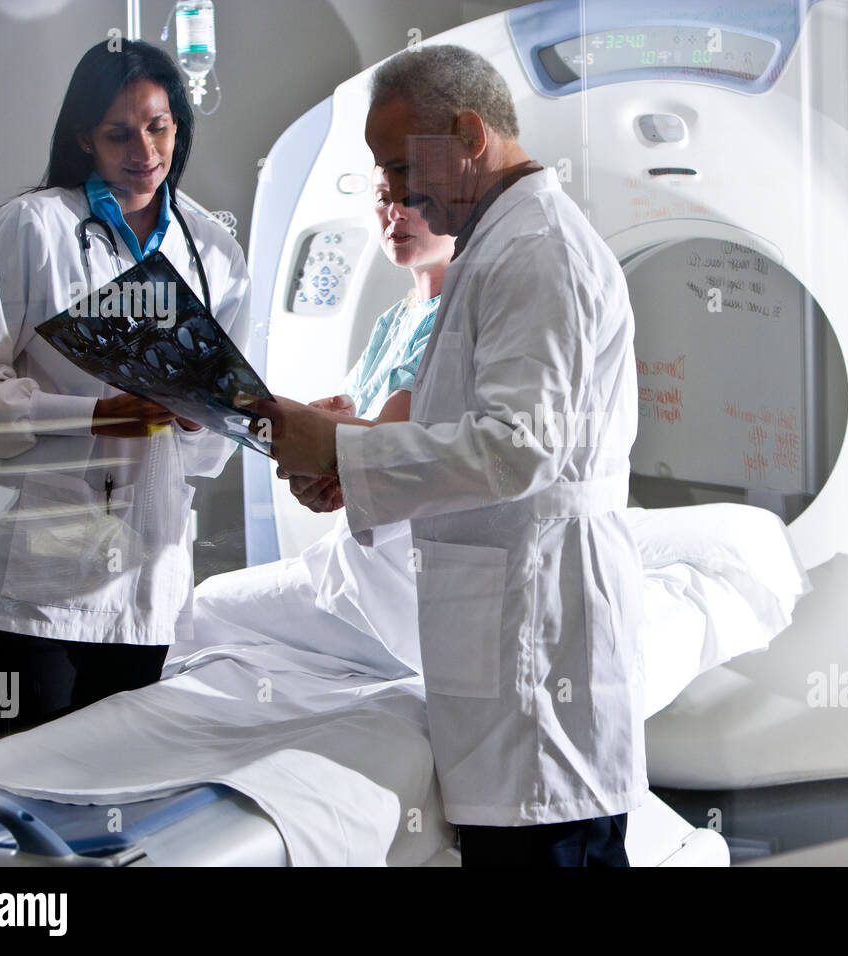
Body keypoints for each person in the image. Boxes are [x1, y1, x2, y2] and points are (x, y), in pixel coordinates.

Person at [250, 45, 646, 867]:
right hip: (500, 626)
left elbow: (520, 448)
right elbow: (457, 426)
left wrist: (343, 452)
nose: (394, 192)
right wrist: (348, 455)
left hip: (540, 639)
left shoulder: (536, 250)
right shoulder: (491, 248)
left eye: (399, 164)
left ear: (468, 134)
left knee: (550, 841)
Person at [0, 40, 251, 747]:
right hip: (30, 575)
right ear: (83, 137)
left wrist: (202, 422)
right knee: (20, 780)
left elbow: (213, 445)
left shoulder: (214, 253)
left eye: (158, 126)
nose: (143, 149)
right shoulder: (33, 227)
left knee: (119, 785)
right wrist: (96, 416)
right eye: (118, 132)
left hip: (147, 573)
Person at [191, 165, 454, 678]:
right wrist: (320, 458)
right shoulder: (394, 320)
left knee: (200, 612)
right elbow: (349, 436)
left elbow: (384, 449)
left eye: (413, 197)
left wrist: (306, 432)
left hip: (401, 582)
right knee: (209, 611)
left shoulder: (455, 318)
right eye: (382, 198)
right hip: (359, 558)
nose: (393, 212)